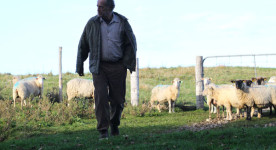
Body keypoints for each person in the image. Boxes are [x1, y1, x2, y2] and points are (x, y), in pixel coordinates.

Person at [76, 0, 137, 139]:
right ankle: (103, 130)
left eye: (101, 7)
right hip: (99, 66)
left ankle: (114, 123)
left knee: (117, 99)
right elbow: (83, 44)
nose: (98, 10)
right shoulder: (92, 23)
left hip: (118, 66)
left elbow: (131, 43)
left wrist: (127, 63)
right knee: (101, 97)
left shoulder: (122, 22)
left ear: (110, 8)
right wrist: (80, 64)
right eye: (97, 7)